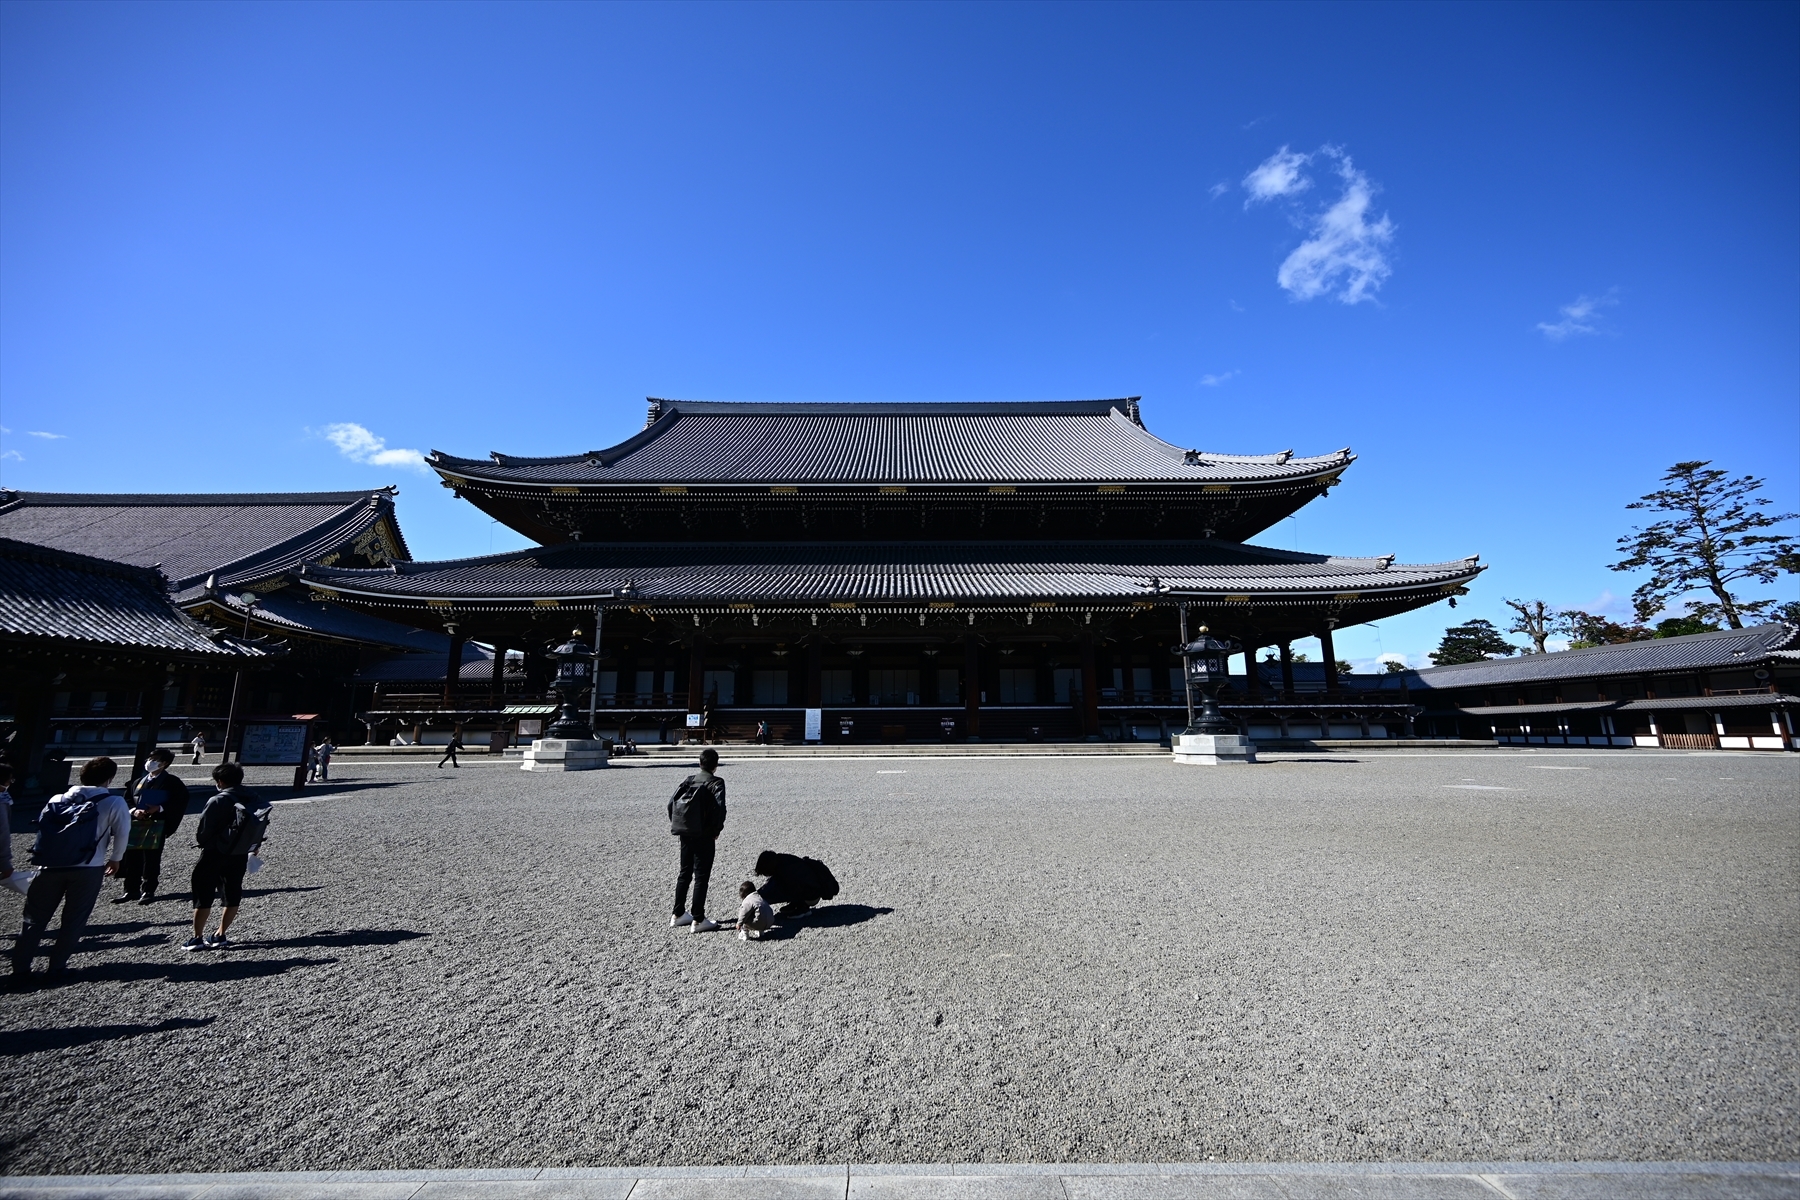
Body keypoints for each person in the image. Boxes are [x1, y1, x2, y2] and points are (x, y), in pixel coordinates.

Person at [11, 756, 131, 988]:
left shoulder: (57, 798)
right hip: (88, 865)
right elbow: (123, 833)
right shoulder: (113, 801)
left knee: (34, 920)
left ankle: (20, 969)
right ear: (109, 778)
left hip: (48, 865)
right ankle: (56, 968)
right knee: (74, 919)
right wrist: (116, 859)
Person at [183, 762, 271, 952]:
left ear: (220, 781)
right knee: (232, 893)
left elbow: (203, 832)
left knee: (203, 894)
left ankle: (197, 937)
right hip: (240, 852)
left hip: (215, 851)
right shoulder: (253, 797)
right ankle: (220, 934)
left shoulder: (219, 800)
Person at [114, 748, 188, 905]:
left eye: (155, 759)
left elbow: (179, 802)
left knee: (151, 858)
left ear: (164, 763)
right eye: (150, 758)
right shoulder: (138, 781)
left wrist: (160, 808)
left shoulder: (172, 782)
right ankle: (130, 889)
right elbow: (127, 799)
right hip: (136, 822)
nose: (150, 762)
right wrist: (134, 810)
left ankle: (148, 889)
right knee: (132, 856)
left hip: (157, 824)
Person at [668, 748, 726, 933]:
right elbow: (719, 808)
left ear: (700, 763)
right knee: (701, 876)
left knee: (684, 872)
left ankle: (678, 914)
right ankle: (698, 919)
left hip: (685, 832)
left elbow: (671, 804)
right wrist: (716, 830)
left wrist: (680, 823)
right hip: (704, 834)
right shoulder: (716, 782)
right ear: (715, 765)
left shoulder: (688, 780)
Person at [753, 850, 840, 918]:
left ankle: (802, 908)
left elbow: (774, 889)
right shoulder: (781, 860)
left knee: (775, 891)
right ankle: (797, 904)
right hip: (814, 888)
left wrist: (755, 900)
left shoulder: (785, 872)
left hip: (812, 895)